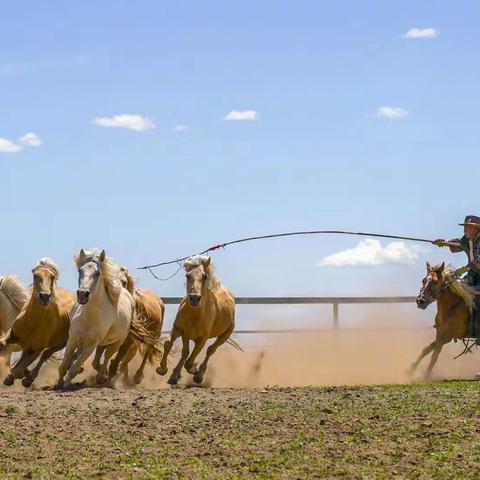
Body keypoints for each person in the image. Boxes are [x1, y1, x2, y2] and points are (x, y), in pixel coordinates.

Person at [434, 215, 480, 288]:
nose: (464, 230)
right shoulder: (467, 240)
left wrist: (463, 269)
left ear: (476, 229)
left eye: (467, 227)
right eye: (465, 227)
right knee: (461, 288)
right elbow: (459, 245)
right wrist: (444, 243)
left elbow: (478, 262)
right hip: (473, 273)